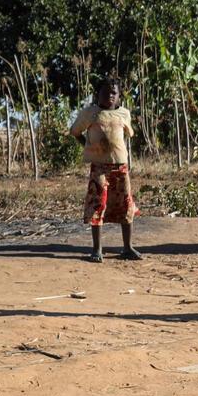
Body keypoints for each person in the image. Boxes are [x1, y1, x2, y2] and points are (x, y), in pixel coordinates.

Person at [69, 76, 141, 262]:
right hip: (99, 167)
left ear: (119, 96)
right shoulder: (91, 113)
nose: (110, 96)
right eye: (106, 92)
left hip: (120, 166)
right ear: (97, 94)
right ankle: (97, 249)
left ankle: (127, 247)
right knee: (97, 204)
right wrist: (89, 146)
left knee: (126, 205)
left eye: (114, 93)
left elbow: (127, 135)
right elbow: (75, 131)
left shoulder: (124, 113)